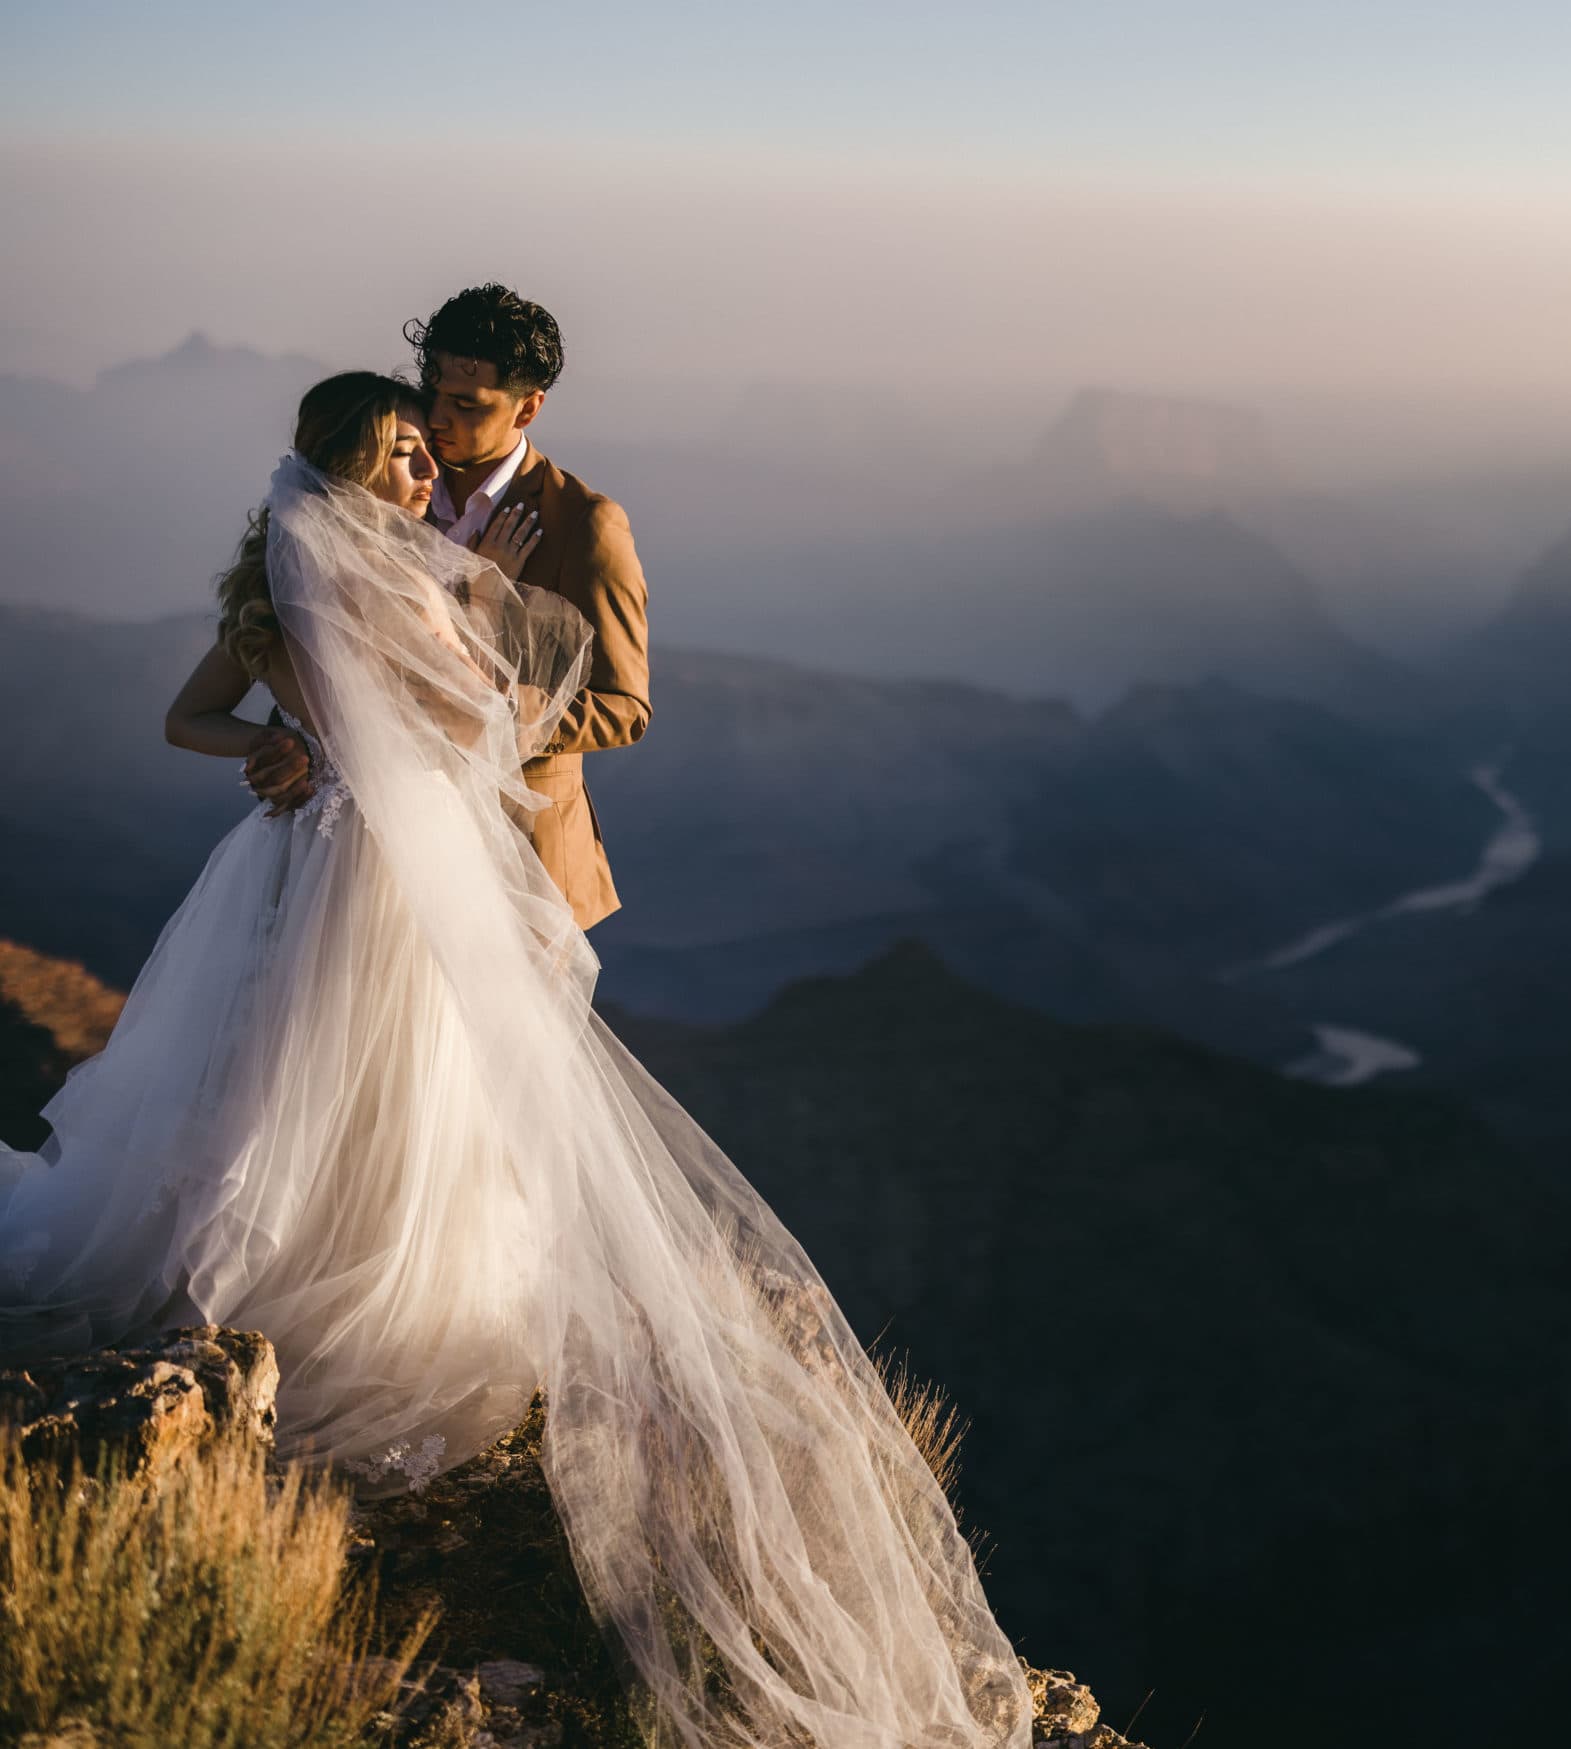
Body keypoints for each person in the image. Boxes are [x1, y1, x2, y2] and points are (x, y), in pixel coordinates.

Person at [0, 371, 1031, 1749]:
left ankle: (270, 1247)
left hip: (298, 862)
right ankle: (362, 1282)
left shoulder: (270, 595)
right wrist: (482, 677)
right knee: (406, 1081)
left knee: (296, 1070)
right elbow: (470, 713)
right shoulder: (396, 586)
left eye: (433, 449)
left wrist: (275, 747)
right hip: (393, 874)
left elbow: (191, 717)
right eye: (405, 456)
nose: (426, 476)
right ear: (357, 470)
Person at [244, 284, 647, 931]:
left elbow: (625, 708)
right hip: (378, 858)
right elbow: (325, 641)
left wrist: (483, 711)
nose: (435, 418)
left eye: (465, 404)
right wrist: (294, 742)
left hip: (525, 867)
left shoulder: (585, 525)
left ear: (527, 408)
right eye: (432, 392)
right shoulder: (378, 491)